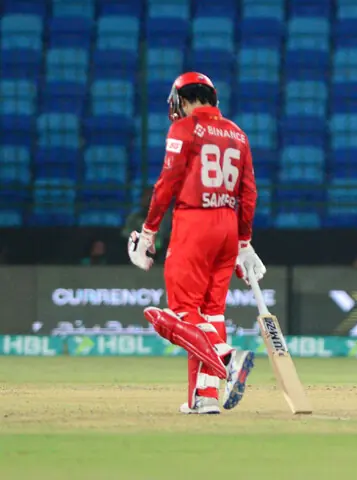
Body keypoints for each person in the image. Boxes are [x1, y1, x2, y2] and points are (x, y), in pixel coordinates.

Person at [127, 72, 267, 414]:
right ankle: (204, 397)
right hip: (228, 226)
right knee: (212, 312)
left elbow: (167, 183)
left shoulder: (184, 128)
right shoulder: (238, 134)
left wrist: (148, 231)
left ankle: (226, 357)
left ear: (181, 100)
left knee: (182, 311)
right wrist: (244, 242)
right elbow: (248, 193)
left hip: (195, 222)